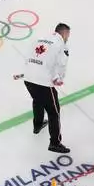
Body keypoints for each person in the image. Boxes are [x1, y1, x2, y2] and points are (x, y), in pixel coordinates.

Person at [22, 23, 71, 154]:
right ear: (64, 33)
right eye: (68, 35)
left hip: (28, 78)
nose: (68, 38)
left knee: (37, 100)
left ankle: (37, 124)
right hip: (43, 82)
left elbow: (29, 56)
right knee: (54, 112)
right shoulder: (61, 45)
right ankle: (55, 143)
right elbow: (62, 64)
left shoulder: (39, 38)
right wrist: (59, 79)